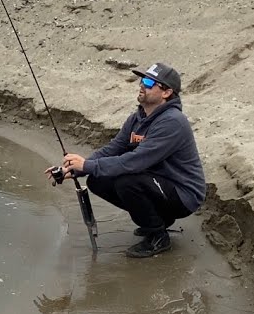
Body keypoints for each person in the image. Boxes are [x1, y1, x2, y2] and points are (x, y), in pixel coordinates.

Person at [49, 62, 206, 258]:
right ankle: (157, 221)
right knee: (97, 179)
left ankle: (158, 236)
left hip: (183, 194)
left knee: (127, 180)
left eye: (149, 82)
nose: (142, 84)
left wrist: (88, 165)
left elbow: (135, 161)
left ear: (166, 92)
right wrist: (75, 169)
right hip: (156, 183)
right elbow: (112, 149)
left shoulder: (173, 122)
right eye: (142, 80)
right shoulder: (137, 118)